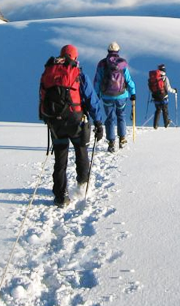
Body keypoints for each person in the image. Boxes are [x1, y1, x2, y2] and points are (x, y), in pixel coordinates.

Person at [39, 45, 104, 207]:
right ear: (75, 57)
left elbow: (42, 96)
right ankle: (82, 186)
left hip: (56, 122)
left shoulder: (49, 73)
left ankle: (60, 195)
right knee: (81, 151)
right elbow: (91, 99)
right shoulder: (78, 74)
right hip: (76, 120)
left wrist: (47, 118)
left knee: (60, 158)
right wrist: (98, 122)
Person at [94, 42, 137, 152]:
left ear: (108, 51)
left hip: (107, 95)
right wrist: (133, 93)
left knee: (109, 118)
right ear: (118, 51)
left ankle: (111, 142)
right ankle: (122, 138)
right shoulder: (122, 63)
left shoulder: (102, 63)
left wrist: (96, 94)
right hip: (121, 95)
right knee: (121, 115)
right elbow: (128, 79)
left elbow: (98, 80)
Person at [149, 64, 177, 129]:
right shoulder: (165, 78)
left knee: (158, 110)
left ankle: (155, 125)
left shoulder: (154, 77)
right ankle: (166, 123)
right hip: (163, 96)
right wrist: (174, 91)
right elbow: (168, 89)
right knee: (165, 110)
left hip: (155, 97)